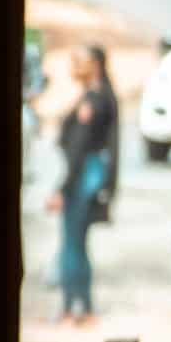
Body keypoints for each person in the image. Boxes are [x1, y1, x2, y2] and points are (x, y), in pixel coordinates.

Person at [46, 43, 118, 323]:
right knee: (76, 243)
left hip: (83, 176)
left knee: (72, 243)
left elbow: (78, 148)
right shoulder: (97, 97)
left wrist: (63, 188)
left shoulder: (94, 101)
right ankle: (80, 306)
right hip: (88, 174)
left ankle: (74, 307)